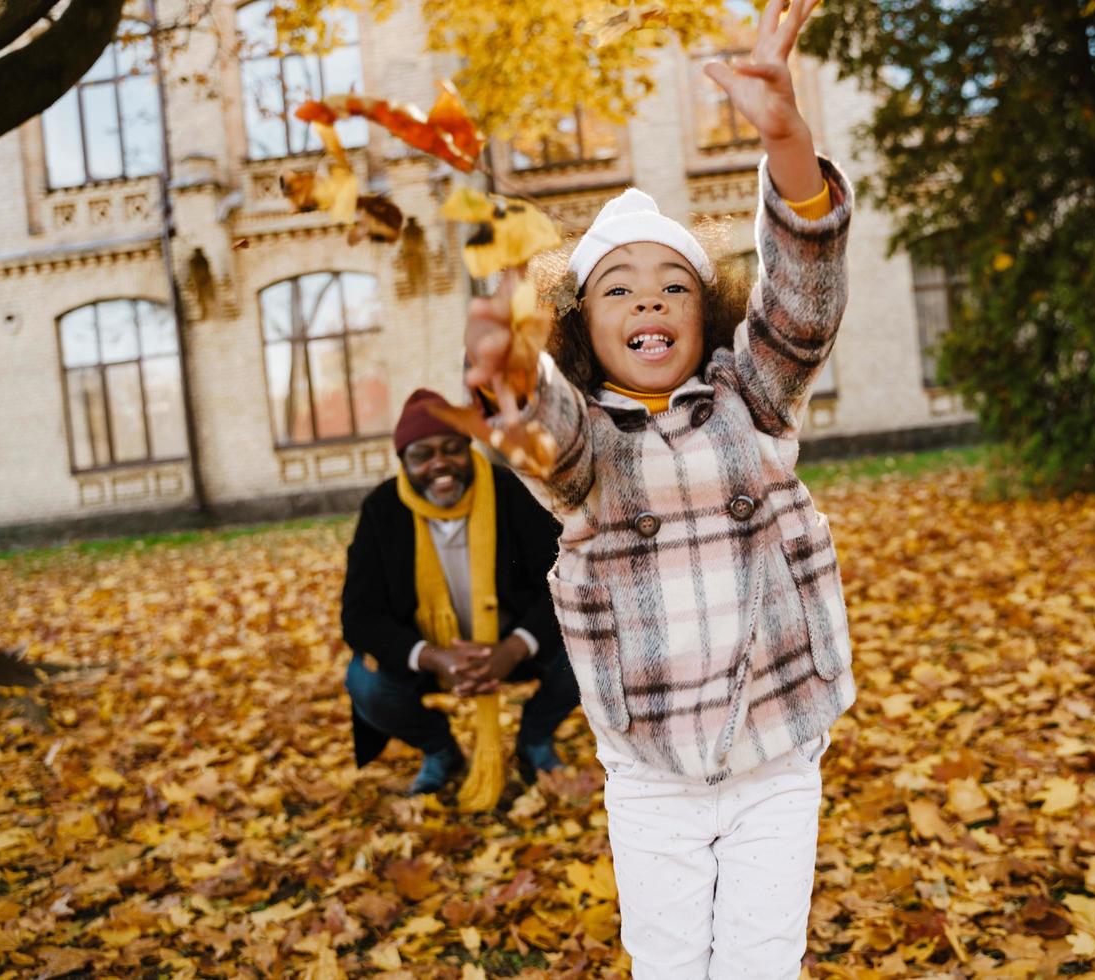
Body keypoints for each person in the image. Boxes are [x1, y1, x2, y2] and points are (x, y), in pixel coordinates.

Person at [462, 1, 854, 974]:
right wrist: (507, 367)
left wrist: (787, 139)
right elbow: (546, 435)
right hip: (652, 775)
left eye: (674, 284)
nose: (648, 298)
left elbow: (802, 298)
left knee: (759, 964)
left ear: (707, 310)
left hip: (773, 752)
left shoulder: (749, 400)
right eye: (619, 287)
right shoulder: (592, 445)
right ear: (584, 330)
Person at [340, 389, 578, 794]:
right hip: (431, 654)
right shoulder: (382, 510)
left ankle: (534, 740)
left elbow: (561, 578)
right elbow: (360, 616)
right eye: (423, 454)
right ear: (403, 462)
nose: (440, 464)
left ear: (469, 450)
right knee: (366, 682)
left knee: (589, 652)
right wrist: (434, 658)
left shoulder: (512, 492)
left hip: (514, 646)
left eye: (452, 449)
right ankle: (441, 751)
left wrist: (514, 649)